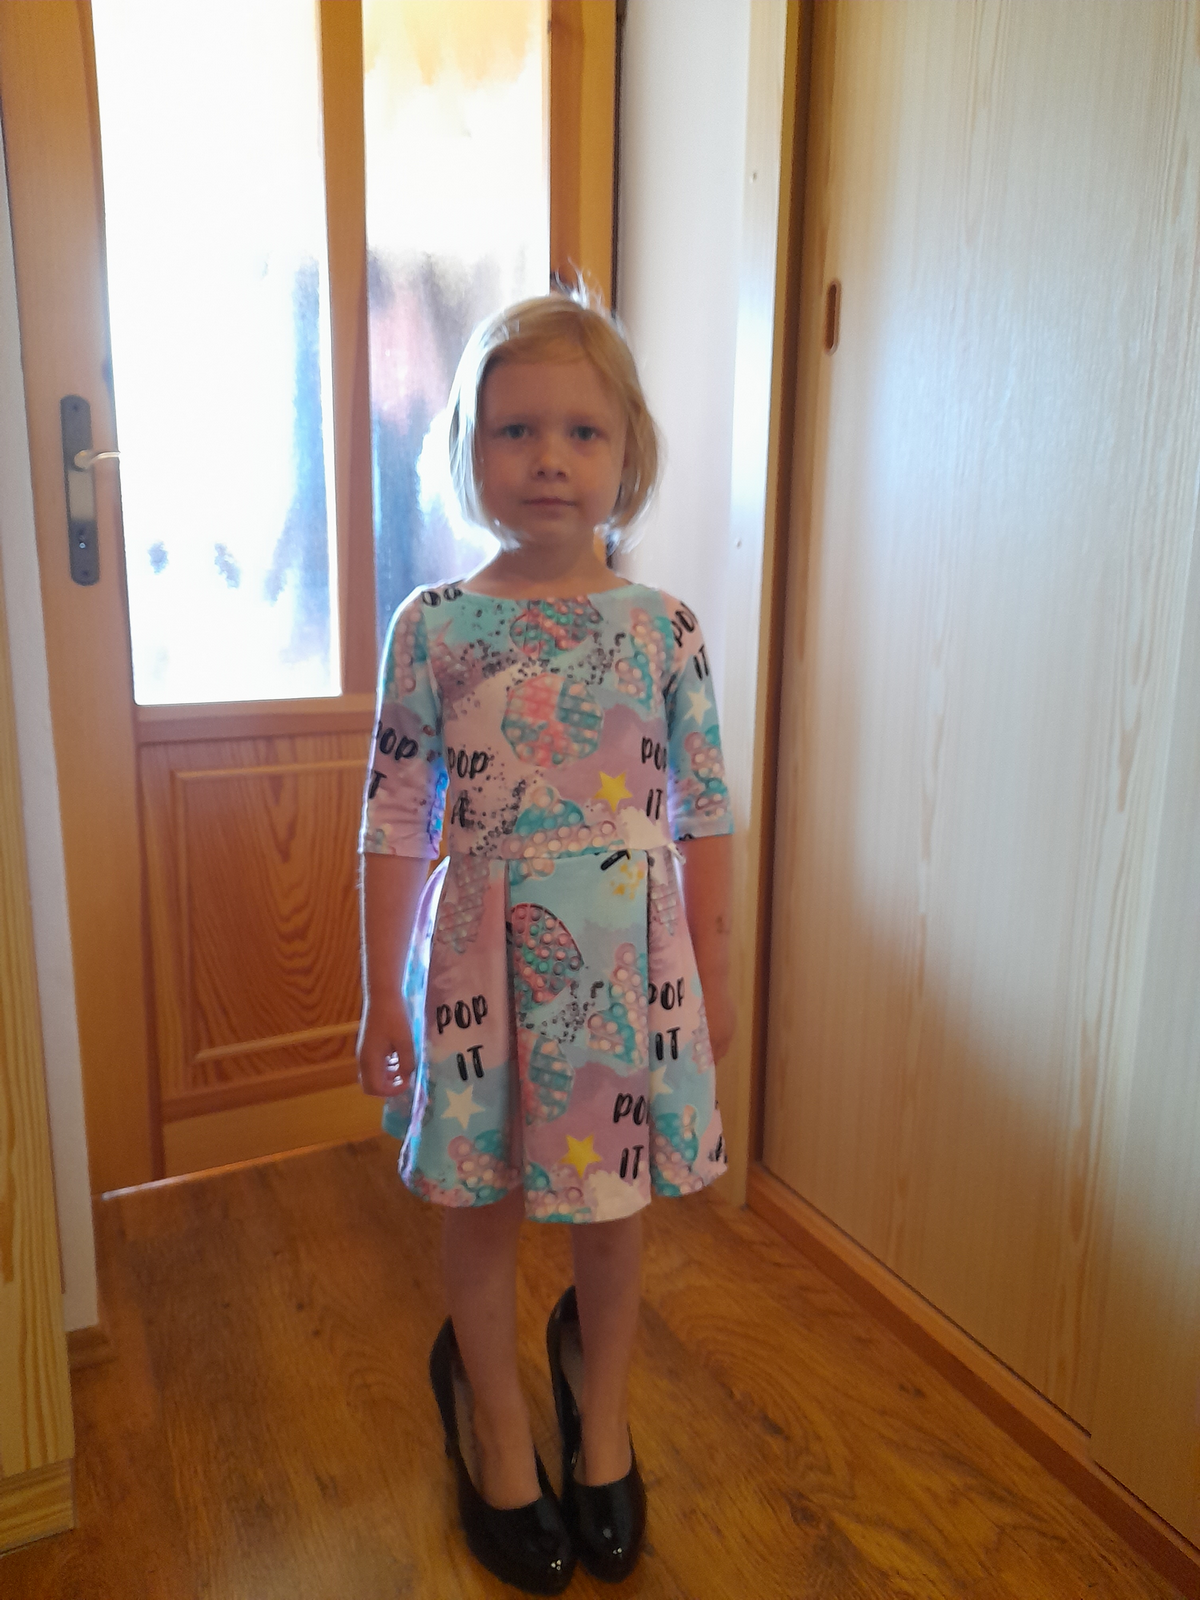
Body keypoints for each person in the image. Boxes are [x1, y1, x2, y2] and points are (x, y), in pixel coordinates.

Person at [356, 286, 735, 1594]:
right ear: (468, 449)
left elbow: (706, 812)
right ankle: (497, 1422)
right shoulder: (433, 627)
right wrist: (381, 996)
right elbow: (392, 815)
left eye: (582, 431)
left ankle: (602, 1414)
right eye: (515, 430)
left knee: (613, 1211)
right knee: (483, 1199)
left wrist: (714, 986)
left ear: (629, 449)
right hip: (478, 970)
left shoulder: (663, 628)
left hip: (626, 977)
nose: (550, 459)